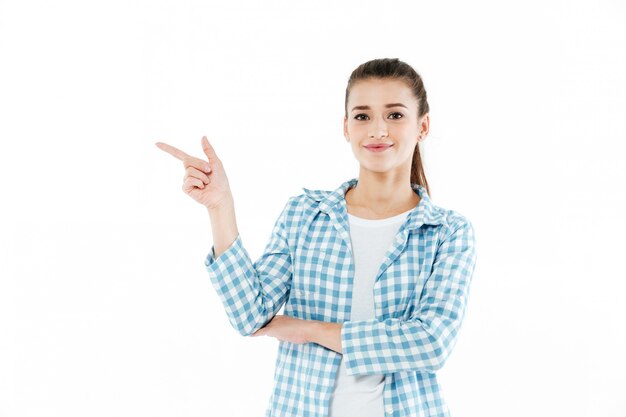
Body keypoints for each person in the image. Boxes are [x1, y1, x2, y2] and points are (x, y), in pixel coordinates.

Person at [155, 57, 477, 417]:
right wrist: (220, 207)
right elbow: (250, 315)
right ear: (345, 127)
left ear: (423, 126)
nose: (377, 130)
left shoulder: (447, 232)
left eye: (395, 115)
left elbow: (430, 343)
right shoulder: (305, 215)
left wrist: (309, 330)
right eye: (362, 115)